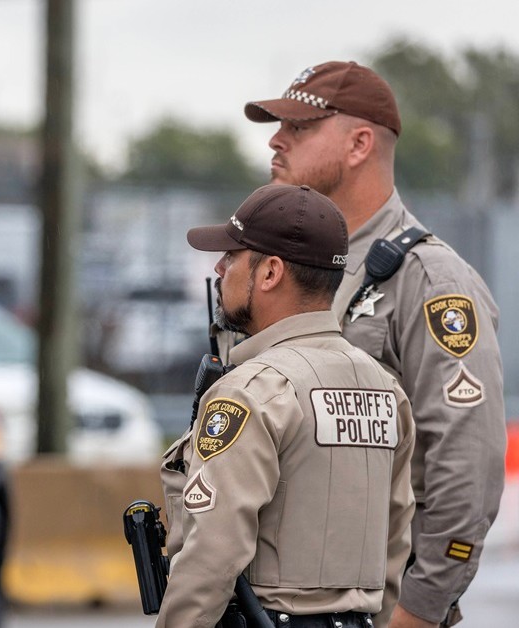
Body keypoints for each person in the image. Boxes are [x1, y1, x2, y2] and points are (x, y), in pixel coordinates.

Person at [243, 61, 506, 628]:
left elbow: (466, 463)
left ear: (360, 143)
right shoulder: (280, 270)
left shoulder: (429, 281)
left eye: (299, 127)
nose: (276, 140)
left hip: (370, 609)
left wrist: (421, 609)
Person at [158, 183, 415, 628]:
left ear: (270, 273)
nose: (219, 268)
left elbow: (211, 556)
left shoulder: (252, 390)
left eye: (232, 256)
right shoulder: (386, 390)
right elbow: (394, 546)